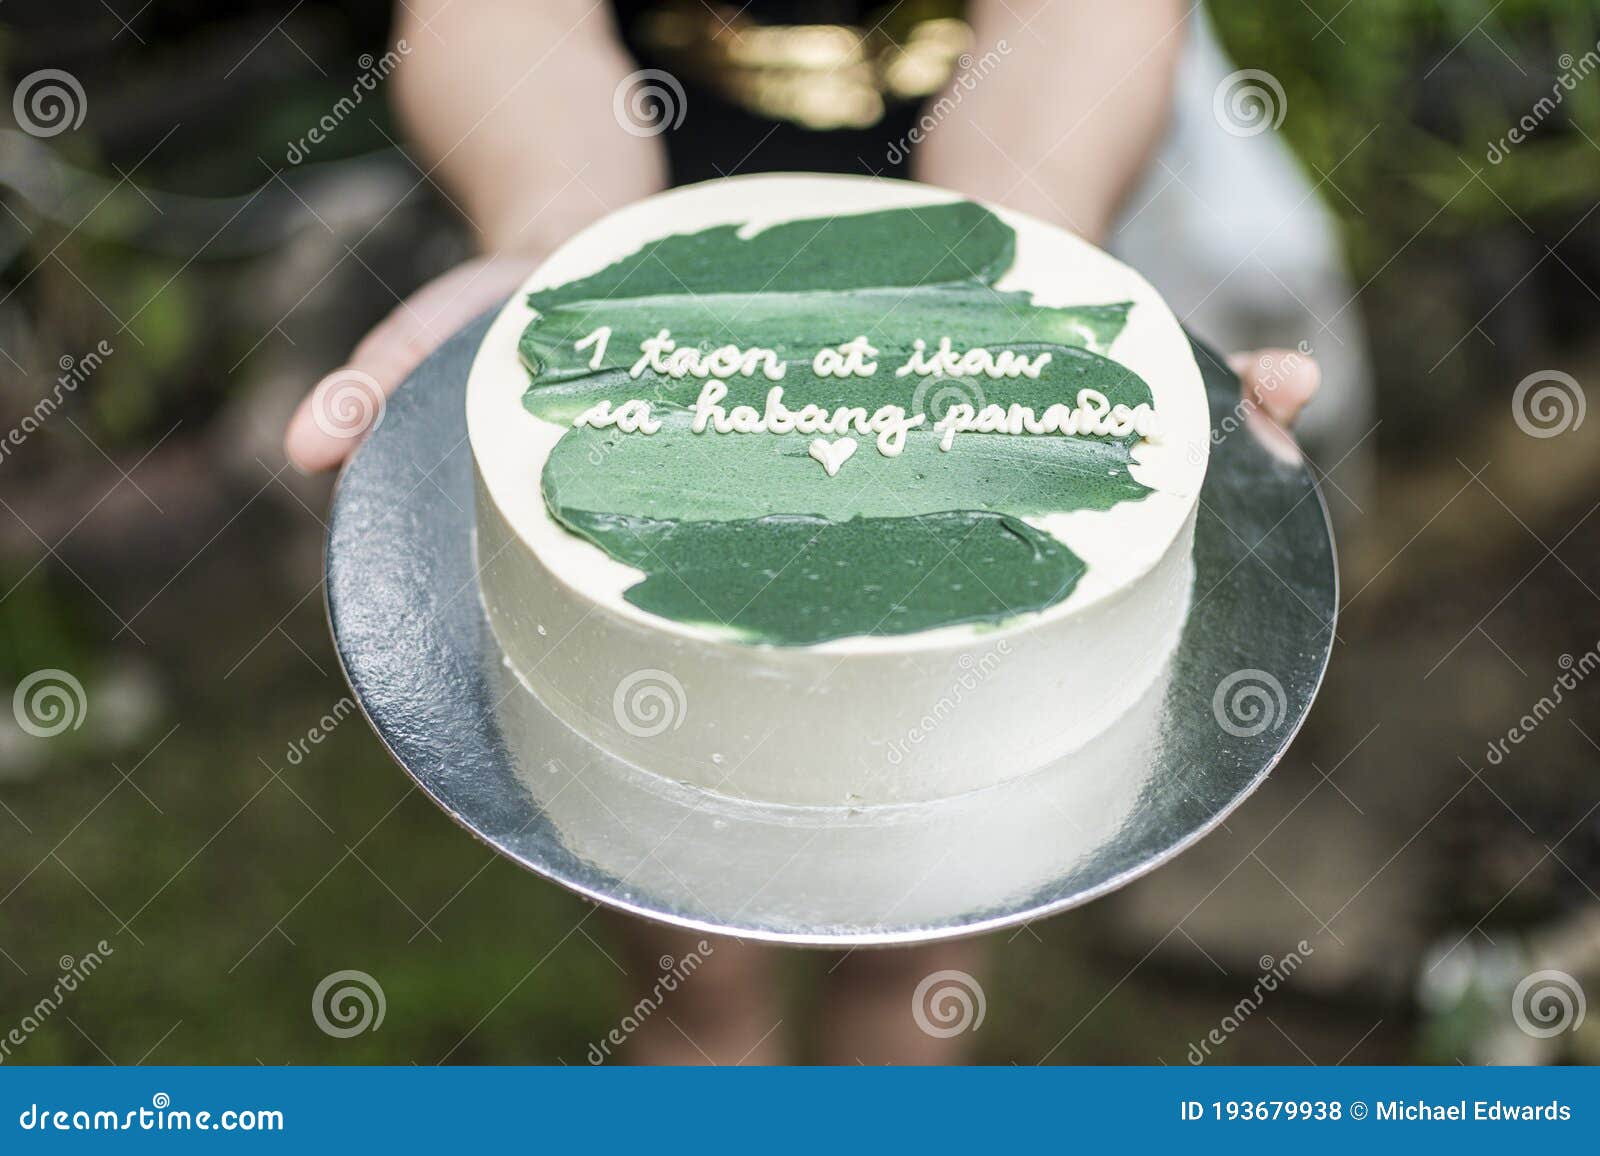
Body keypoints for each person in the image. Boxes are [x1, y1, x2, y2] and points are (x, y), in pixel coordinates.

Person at [284, 0, 1320, 1064]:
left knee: (926, 912)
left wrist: (1014, 284)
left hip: (995, 161)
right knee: (678, 914)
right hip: (639, 212)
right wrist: (557, 245)